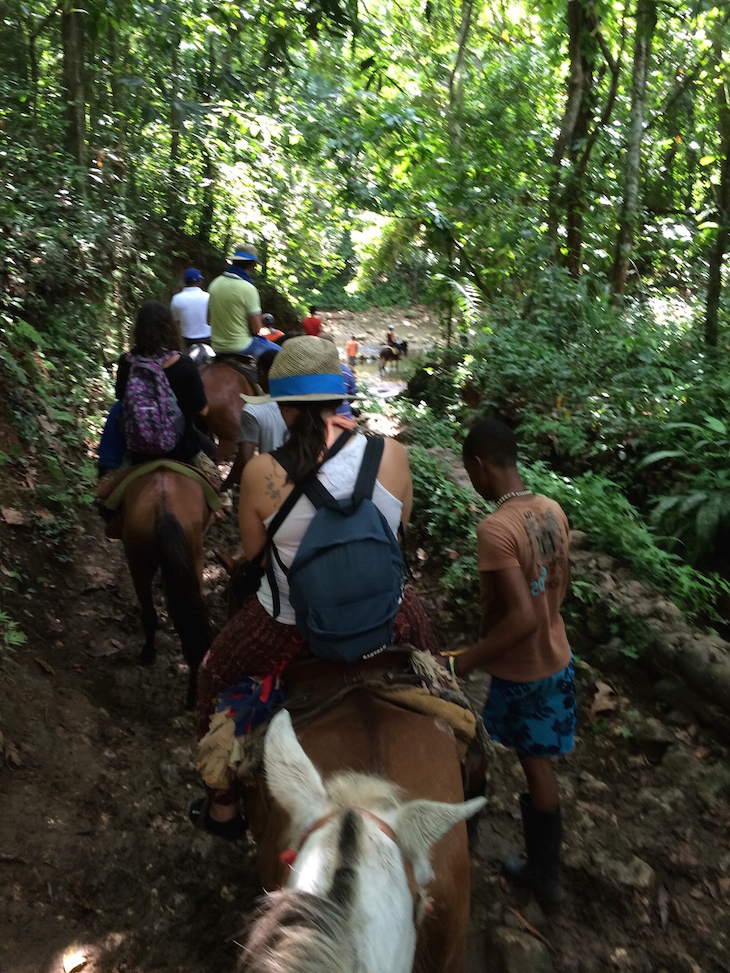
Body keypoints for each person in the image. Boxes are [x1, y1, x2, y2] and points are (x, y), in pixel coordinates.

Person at [189, 336, 439, 840]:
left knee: (212, 676)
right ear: (337, 396)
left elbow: (256, 555)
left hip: (288, 627)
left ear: (283, 406)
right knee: (441, 678)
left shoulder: (263, 473)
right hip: (387, 616)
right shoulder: (390, 454)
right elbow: (398, 528)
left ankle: (223, 803)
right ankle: (469, 758)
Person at [450, 419, 576, 909]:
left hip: (508, 670)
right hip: (555, 659)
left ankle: (462, 841)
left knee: (475, 749)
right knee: (536, 762)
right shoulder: (552, 509)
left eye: (470, 471)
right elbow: (554, 590)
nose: (474, 482)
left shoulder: (495, 528)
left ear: (480, 466)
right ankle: (547, 878)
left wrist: (464, 662)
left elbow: (521, 618)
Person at [115, 301, 215, 466]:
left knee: (112, 477)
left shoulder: (126, 361)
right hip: (181, 447)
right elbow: (202, 410)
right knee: (212, 464)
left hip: (138, 448)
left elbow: (120, 397)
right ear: (169, 329)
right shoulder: (184, 363)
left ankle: (105, 474)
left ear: (138, 329)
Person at [220, 350, 287, 492]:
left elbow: (245, 456)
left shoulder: (253, 410)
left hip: (272, 482)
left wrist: (226, 484)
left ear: (262, 373)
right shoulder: (302, 404)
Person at [207, 243, 263, 354]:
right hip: (242, 345)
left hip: (216, 347)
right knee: (281, 353)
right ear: (252, 265)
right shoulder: (248, 288)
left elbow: (208, 320)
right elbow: (256, 328)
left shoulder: (215, 283)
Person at [319, 332, 357, 420]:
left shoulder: (311, 372)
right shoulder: (347, 371)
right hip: (345, 422)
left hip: (321, 424)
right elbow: (352, 396)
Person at [170, 268, 210, 350]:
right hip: (208, 339)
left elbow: (176, 323)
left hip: (187, 341)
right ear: (200, 281)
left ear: (185, 281)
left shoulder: (176, 299)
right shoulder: (208, 297)